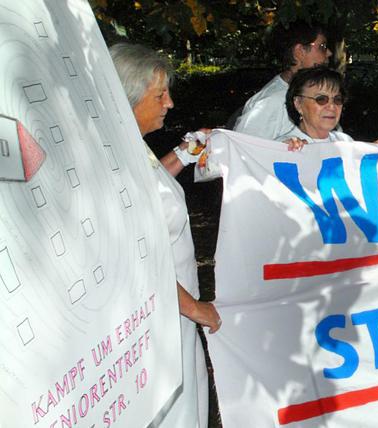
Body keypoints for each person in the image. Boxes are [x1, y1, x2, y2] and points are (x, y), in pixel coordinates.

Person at [110, 43, 220, 428]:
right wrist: (195, 308)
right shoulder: (112, 164)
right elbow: (138, 257)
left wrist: (186, 153)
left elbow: (153, 184)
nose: (170, 103)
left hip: (176, 315)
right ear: (127, 97)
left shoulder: (126, 146)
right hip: (161, 320)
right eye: (160, 95)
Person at [233, 21, 332, 139]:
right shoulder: (272, 102)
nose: (329, 53)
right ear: (300, 51)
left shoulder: (319, 95)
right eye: (322, 47)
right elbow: (242, 150)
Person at [279, 66, 378, 150]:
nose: (331, 106)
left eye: (337, 99)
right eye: (321, 99)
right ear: (298, 103)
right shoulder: (283, 146)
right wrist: (282, 152)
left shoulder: (344, 141)